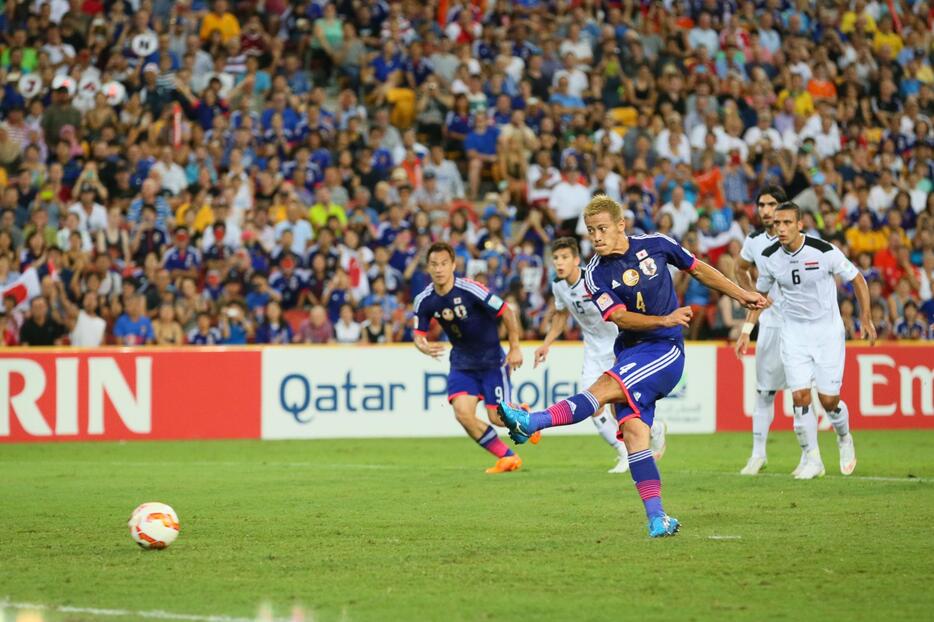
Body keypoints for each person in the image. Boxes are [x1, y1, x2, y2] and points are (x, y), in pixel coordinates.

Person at [498, 195, 767, 537]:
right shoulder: (594, 275)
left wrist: (740, 295)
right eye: (591, 231)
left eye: (602, 229)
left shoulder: (656, 245)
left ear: (621, 225)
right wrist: (664, 317)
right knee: (636, 436)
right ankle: (657, 518)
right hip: (630, 351)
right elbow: (621, 317)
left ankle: (532, 421)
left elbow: (697, 269)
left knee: (600, 390)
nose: (596, 237)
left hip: (665, 350)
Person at [744, 202, 875, 480]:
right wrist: (746, 330)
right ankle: (813, 459)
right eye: (777, 223)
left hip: (827, 332)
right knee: (800, 397)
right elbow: (759, 297)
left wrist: (866, 317)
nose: (781, 228)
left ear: (800, 224)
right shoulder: (769, 258)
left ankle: (843, 437)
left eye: (787, 223)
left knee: (829, 401)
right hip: (793, 333)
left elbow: (858, 279)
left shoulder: (824, 250)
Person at [534, 237, 667, 473]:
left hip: (618, 346)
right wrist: (546, 344)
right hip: (593, 351)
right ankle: (624, 452)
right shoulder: (558, 286)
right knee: (593, 406)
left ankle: (654, 429)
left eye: (564, 257)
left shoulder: (594, 280)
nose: (559, 263)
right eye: (556, 258)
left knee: (619, 407)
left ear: (576, 260)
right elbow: (561, 316)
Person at [413, 242, 525, 474]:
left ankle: (526, 418)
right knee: (463, 414)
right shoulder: (425, 300)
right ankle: (507, 457)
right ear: (428, 268)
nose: (439, 269)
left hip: (492, 361)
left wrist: (514, 347)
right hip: (462, 363)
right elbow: (418, 334)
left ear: (453, 265)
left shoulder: (471, 289)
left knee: (496, 417)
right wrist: (422, 347)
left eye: (444, 263)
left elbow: (506, 311)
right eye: (434, 264)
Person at [732, 185, 789, 475]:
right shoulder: (754, 241)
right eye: (762, 205)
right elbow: (739, 267)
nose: (766, 210)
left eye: (772, 204)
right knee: (764, 392)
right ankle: (758, 455)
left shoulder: (798, 241)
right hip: (769, 324)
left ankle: (810, 456)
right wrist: (750, 293)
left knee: (804, 393)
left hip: (799, 325)